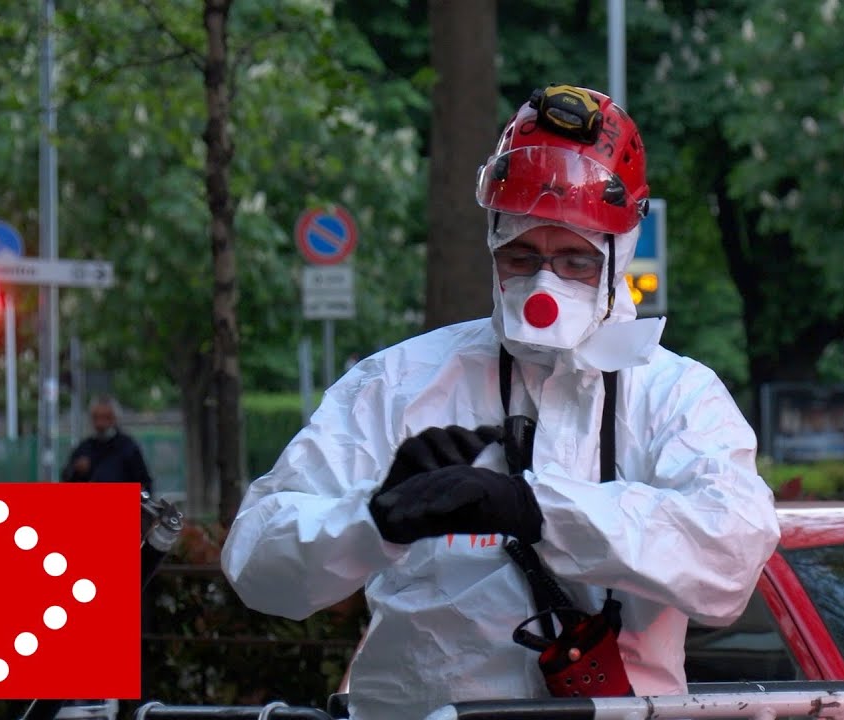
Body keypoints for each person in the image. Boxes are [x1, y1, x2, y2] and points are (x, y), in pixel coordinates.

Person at [221, 83, 780, 719]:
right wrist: (374, 521)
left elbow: (729, 558)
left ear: (617, 256)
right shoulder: (399, 381)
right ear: (492, 246)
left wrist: (535, 508)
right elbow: (256, 561)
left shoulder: (675, 396)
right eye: (521, 256)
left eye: (574, 260)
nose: (545, 284)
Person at [61, 395, 154, 495]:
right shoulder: (84, 448)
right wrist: (76, 470)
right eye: (96, 418)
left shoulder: (128, 447)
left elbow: (145, 486)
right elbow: (66, 479)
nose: (100, 424)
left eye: (106, 418)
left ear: (115, 418)